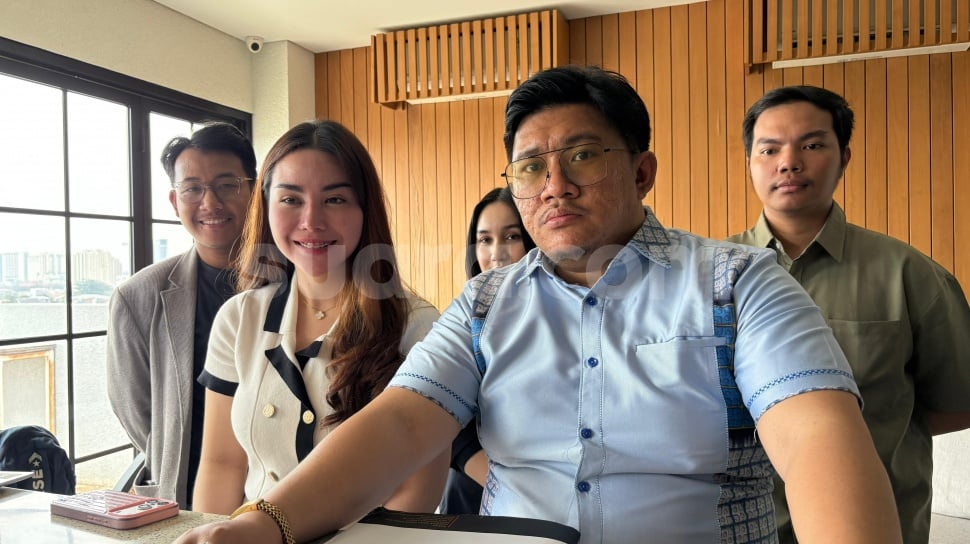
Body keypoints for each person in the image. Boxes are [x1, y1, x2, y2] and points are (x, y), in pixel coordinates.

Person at [176, 66, 902, 544]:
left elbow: (815, 437)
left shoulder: (738, 283)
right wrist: (264, 524)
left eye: (582, 156)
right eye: (530, 166)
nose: (554, 185)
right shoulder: (485, 302)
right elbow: (399, 423)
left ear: (642, 170)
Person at [727, 85, 970, 543]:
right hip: (744, 529)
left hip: (873, 527)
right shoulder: (712, 274)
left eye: (812, 145)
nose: (789, 162)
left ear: (844, 157)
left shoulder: (910, 274)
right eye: (769, 149)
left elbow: (956, 406)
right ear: (750, 163)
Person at [189, 120, 448, 516]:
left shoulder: (417, 326)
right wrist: (212, 534)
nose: (312, 221)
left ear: (364, 209)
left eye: (335, 199)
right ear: (266, 206)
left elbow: (418, 489)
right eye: (291, 199)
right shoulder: (239, 318)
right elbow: (222, 464)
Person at [107, 122, 257, 508]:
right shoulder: (137, 298)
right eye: (193, 189)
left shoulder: (296, 282)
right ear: (175, 202)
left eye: (227, 185)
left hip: (284, 492)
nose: (210, 203)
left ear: (254, 192)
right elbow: (138, 413)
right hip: (188, 496)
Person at [442, 187, 536, 515]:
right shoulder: (462, 322)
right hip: (476, 493)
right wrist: (510, 493)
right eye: (485, 240)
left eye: (511, 237)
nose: (497, 254)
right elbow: (442, 413)